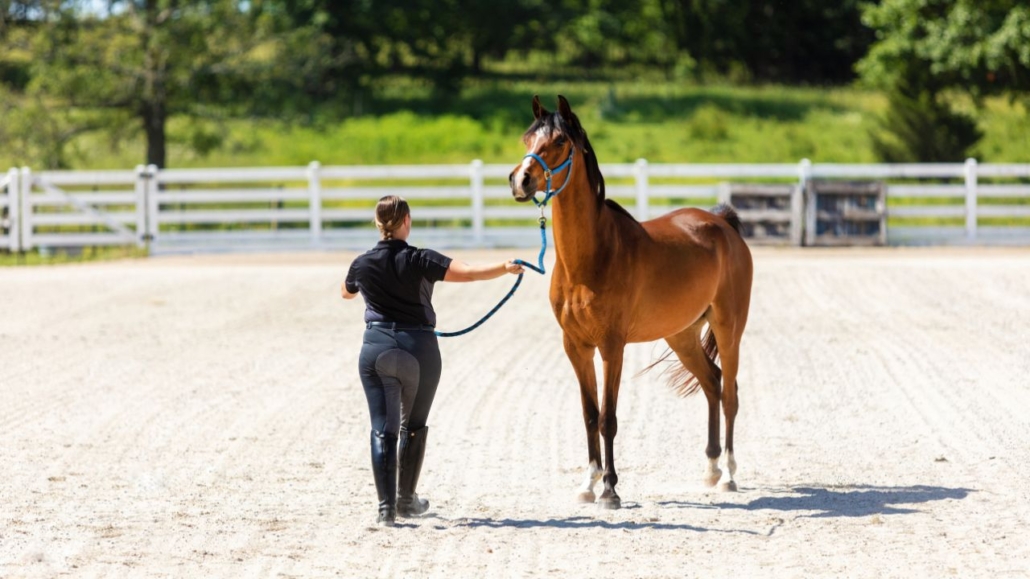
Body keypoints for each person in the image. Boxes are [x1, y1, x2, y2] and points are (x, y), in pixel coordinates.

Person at [341, 195, 524, 526]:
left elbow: (346, 291)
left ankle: (386, 510)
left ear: (377, 223)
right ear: (407, 221)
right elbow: (467, 273)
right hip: (419, 349)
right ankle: (406, 499)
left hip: (377, 347)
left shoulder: (362, 263)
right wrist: (504, 267)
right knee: (412, 426)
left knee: (382, 429)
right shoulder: (421, 258)